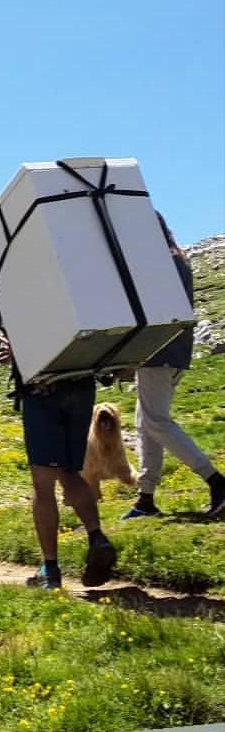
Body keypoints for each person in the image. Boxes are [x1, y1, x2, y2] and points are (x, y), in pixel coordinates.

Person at [0, 297, 116, 590]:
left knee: (43, 483)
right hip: (80, 383)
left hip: (41, 392)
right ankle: (96, 537)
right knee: (70, 473)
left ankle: (49, 570)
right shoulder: (58, 283)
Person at [124, 214, 225, 520]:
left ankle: (216, 482)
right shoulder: (176, 259)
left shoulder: (158, 263)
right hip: (174, 349)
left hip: (158, 349)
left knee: (155, 422)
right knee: (145, 422)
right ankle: (146, 498)